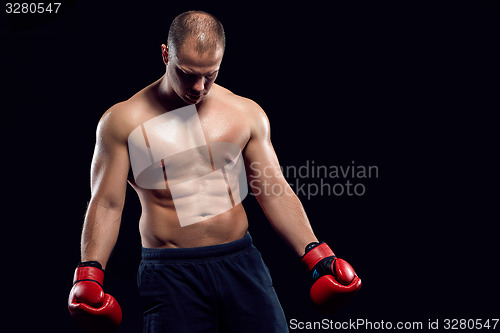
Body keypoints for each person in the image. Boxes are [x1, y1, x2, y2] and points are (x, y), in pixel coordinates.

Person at [68, 10, 361, 333]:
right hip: (171, 272)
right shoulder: (123, 121)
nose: (198, 86)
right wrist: (90, 272)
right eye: (187, 73)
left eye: (210, 74)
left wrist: (317, 255)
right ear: (166, 54)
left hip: (241, 261)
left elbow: (272, 188)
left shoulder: (244, 113)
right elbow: (107, 202)